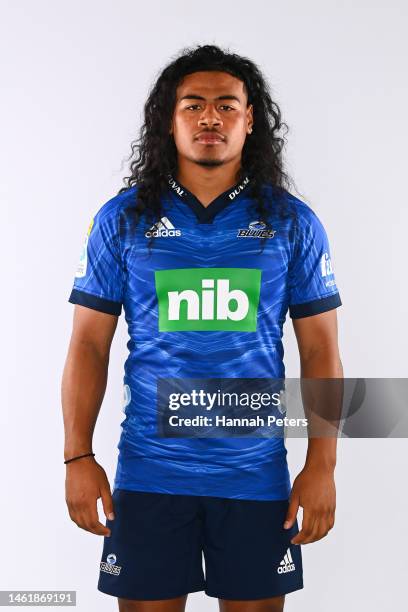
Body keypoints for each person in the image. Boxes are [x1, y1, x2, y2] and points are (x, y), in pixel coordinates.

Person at [62, 44, 342, 612]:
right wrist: (77, 457)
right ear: (169, 120)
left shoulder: (293, 223)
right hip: (147, 475)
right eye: (192, 105)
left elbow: (321, 351)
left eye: (226, 105)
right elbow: (89, 343)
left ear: (250, 119)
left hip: (256, 480)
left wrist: (322, 466)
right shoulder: (123, 219)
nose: (209, 117)